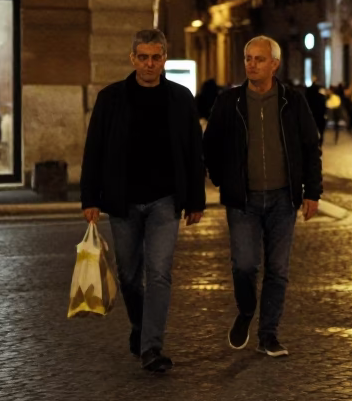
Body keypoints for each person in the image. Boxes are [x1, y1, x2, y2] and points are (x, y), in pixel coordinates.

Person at [80, 29, 205, 373]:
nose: (150, 64)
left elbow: (194, 152)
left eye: (156, 57)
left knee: (160, 273)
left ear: (165, 59)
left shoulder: (180, 98)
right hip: (123, 201)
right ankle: (139, 327)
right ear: (132, 58)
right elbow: (94, 151)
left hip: (166, 200)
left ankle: (152, 346)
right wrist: (89, 197)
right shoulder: (111, 99)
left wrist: (195, 200)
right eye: (144, 57)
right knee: (130, 276)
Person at [202, 36, 323, 358]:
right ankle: (245, 311)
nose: (251, 64)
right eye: (247, 58)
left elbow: (311, 147)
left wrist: (312, 192)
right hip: (243, 200)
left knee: (278, 270)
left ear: (274, 64)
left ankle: (268, 334)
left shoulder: (292, 101)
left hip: (283, 199)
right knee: (244, 266)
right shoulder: (230, 102)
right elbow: (210, 145)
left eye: (258, 59)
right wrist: (221, 180)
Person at [305, 80, 327, 144]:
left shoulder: (307, 98)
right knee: (320, 131)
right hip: (320, 117)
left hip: (311, 117)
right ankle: (319, 143)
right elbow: (324, 108)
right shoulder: (321, 97)